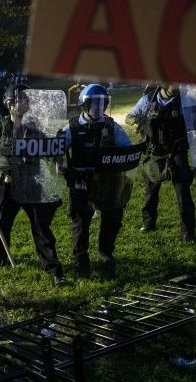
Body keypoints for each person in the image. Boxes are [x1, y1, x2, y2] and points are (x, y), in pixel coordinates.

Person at [0, 84, 66, 285]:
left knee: (41, 227)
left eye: (26, 99)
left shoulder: (34, 127)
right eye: (20, 99)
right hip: (7, 185)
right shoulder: (0, 127)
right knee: (3, 224)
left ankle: (53, 269)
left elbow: (52, 150)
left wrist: (61, 162)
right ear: (10, 104)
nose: (25, 102)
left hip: (31, 185)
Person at [60, 84, 134, 277]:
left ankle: (105, 252)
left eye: (103, 102)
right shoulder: (72, 127)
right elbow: (57, 148)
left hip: (107, 181)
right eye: (95, 103)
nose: (100, 107)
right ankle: (80, 258)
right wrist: (62, 166)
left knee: (113, 217)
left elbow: (127, 149)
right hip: (81, 180)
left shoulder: (111, 126)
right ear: (85, 105)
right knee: (80, 221)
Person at [125, 85, 196, 242]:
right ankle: (149, 223)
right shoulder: (148, 100)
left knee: (183, 192)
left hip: (176, 152)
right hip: (154, 153)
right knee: (150, 192)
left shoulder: (184, 100)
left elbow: (195, 121)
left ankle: (188, 231)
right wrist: (139, 119)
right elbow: (128, 117)